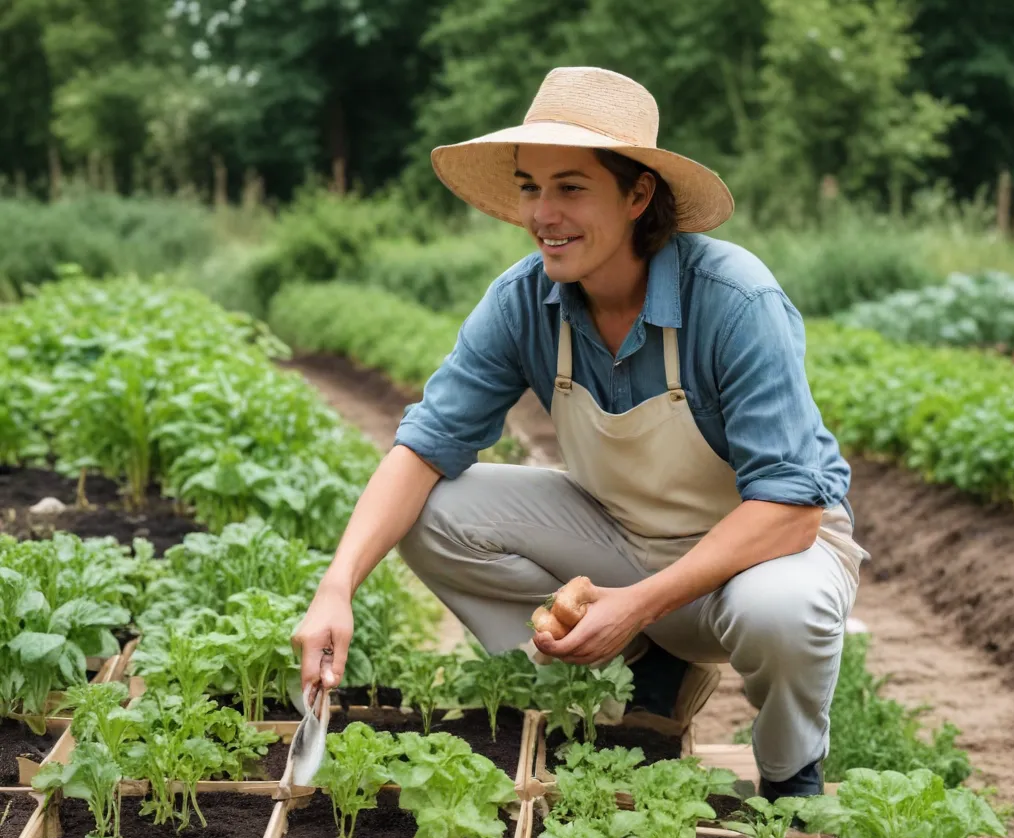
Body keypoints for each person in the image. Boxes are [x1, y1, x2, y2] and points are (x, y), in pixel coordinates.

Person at [292, 66, 867, 799]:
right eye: (530, 186)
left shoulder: (733, 299)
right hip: (626, 539)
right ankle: (622, 702)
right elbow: (423, 444)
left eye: (570, 186)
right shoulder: (525, 301)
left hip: (760, 557)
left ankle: (792, 776)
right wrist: (335, 586)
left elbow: (791, 509)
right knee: (433, 513)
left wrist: (640, 605)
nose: (542, 212)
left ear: (637, 194)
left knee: (781, 612)